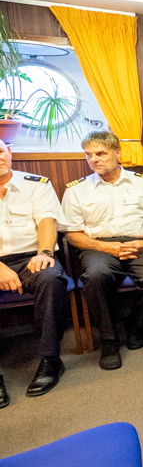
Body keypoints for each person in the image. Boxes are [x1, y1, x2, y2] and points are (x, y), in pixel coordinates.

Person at [61, 131, 143, 370]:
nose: (94, 159)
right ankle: (109, 341)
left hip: (141, 243)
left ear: (118, 153)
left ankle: (136, 325)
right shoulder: (76, 190)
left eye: (101, 153)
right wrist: (105, 247)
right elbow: (72, 234)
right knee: (96, 276)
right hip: (98, 247)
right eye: (89, 155)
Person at [0, 140, 70, 408]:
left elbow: (47, 221)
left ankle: (50, 360)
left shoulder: (36, 184)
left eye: (0, 151)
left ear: (9, 152)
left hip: (32, 256)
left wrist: (45, 253)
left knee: (51, 279)